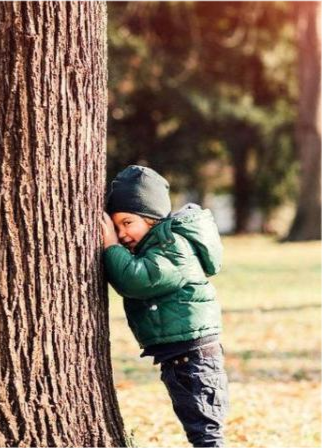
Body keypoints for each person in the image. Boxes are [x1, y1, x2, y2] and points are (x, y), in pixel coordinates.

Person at [100, 165, 229, 448]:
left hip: (193, 358)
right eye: (116, 226)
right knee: (200, 429)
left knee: (206, 433)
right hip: (182, 356)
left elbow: (136, 280)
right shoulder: (159, 245)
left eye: (127, 222)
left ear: (152, 218)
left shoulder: (173, 246)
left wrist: (110, 246)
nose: (121, 234)